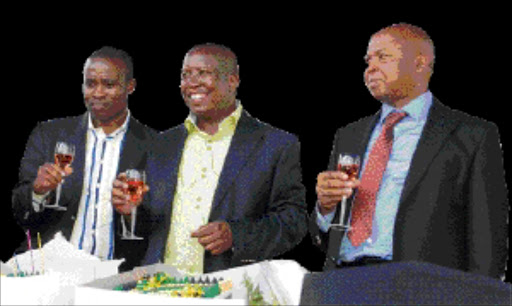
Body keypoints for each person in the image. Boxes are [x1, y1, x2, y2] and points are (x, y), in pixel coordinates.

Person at [311, 23, 508, 279]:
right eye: (368, 60)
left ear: (419, 64)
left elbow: (487, 236)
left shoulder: (472, 135)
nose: (371, 68)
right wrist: (325, 209)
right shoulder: (348, 135)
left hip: (421, 287)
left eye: (383, 57)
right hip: (344, 281)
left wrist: (482, 297)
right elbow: (327, 236)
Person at [112, 43, 307, 274]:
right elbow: (148, 225)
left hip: (229, 287)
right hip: (160, 285)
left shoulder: (276, 145)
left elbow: (293, 221)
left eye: (203, 73)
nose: (192, 83)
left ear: (233, 81)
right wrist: (129, 212)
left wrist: (236, 235)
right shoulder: (160, 144)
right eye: (186, 75)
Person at [12, 46, 157, 271]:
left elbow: (160, 225)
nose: (97, 93)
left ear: (130, 86)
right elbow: (20, 212)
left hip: (113, 278)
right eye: (90, 84)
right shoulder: (49, 134)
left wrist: (132, 214)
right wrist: (38, 191)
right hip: (48, 272)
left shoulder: (155, 145)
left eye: (109, 85)